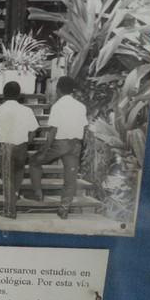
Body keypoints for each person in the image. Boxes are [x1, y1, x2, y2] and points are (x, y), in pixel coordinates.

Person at [25, 76, 88, 219]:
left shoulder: (58, 106)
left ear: (58, 90)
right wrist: (81, 147)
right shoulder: (81, 106)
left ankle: (38, 194)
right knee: (70, 179)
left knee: (34, 161)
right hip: (76, 145)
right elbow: (84, 129)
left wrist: (45, 150)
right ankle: (64, 210)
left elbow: (53, 131)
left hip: (60, 144)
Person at [0, 82, 39, 219]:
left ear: (4, 94)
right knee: (19, 171)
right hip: (22, 147)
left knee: (7, 178)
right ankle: (14, 196)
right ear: (18, 95)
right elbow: (33, 131)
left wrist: (1, 130)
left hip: (6, 148)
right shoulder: (27, 110)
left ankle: (10, 211)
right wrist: (27, 141)